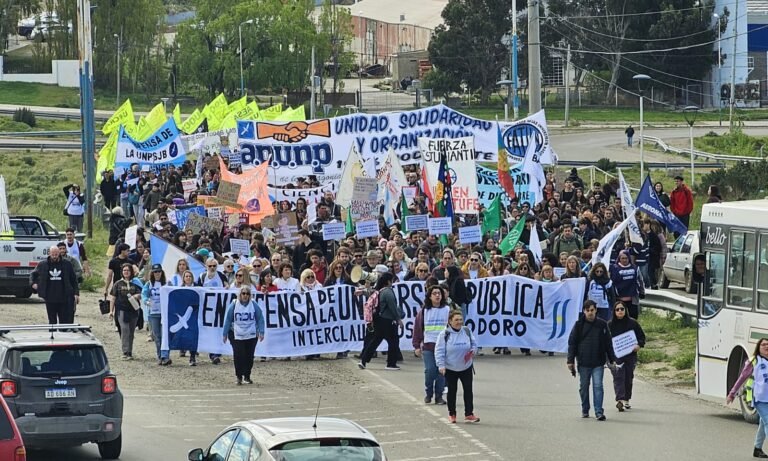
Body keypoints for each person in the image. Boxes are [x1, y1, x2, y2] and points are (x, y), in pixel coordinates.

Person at [567, 300, 617, 421]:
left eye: (592, 310)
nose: (590, 312)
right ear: (584, 311)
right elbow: (572, 343)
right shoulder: (578, 325)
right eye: (587, 310)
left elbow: (608, 343)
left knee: (598, 386)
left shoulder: (602, 325)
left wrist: (612, 359)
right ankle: (585, 409)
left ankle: (599, 412)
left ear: (596, 310)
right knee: (584, 387)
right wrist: (570, 361)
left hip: (598, 362)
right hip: (583, 362)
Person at [435, 311, 479, 424]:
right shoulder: (444, 334)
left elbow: (474, 344)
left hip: (466, 367)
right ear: (450, 321)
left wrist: (473, 351)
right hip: (451, 368)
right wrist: (441, 365)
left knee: (468, 390)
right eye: (456, 320)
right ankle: (452, 413)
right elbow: (439, 351)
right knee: (452, 391)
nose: (459, 322)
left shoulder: (466, 331)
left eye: (461, 319)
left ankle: (469, 413)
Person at [727, 338, 768, 459]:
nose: (766, 347)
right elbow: (742, 378)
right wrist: (732, 393)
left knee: (763, 423)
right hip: (760, 399)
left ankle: (757, 448)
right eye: (764, 345)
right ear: (758, 348)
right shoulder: (754, 361)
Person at [357, 273, 404, 371]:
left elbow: (371, 294)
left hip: (379, 321)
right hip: (388, 322)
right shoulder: (388, 292)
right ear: (388, 282)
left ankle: (364, 360)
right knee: (394, 342)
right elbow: (393, 307)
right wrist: (398, 319)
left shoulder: (380, 291)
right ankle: (391, 363)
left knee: (375, 341)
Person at [413, 286, 451, 405]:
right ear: (430, 296)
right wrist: (417, 346)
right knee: (430, 370)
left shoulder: (447, 310)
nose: (437, 295)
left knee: (441, 372)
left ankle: (439, 396)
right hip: (428, 346)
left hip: (443, 346)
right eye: (434, 293)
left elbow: (454, 327)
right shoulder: (424, 311)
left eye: (439, 293)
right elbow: (418, 329)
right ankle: (429, 392)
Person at [222, 286, 265, 385]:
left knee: (249, 356)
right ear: (239, 294)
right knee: (239, 354)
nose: (245, 296)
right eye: (243, 293)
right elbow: (228, 319)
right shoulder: (234, 305)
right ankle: (239, 376)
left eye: (247, 294)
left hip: (251, 334)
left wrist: (261, 331)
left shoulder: (253, 304)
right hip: (236, 333)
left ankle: (247, 375)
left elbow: (260, 318)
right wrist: (224, 334)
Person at [608, 301, 645, 412]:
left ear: (625, 310)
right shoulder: (609, 325)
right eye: (617, 309)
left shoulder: (633, 323)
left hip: (630, 355)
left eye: (622, 309)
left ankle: (626, 399)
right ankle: (620, 399)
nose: (620, 311)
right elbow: (604, 340)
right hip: (615, 356)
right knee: (618, 376)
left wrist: (639, 345)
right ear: (614, 311)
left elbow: (641, 337)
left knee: (628, 377)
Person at [30, 246, 79, 324]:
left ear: (59, 253)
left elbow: (73, 280)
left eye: (56, 254)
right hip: (49, 297)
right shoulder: (43, 264)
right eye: (53, 255)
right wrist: (33, 283)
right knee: (52, 321)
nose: (54, 256)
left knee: (64, 321)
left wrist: (76, 293)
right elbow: (33, 274)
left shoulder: (67, 264)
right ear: (49, 253)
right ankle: (52, 333)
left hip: (64, 297)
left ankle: (63, 333)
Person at [109, 263, 143, 360]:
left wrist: (136, 296)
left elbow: (141, 294)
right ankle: (125, 351)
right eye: (124, 270)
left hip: (133, 311)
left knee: (131, 331)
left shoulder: (135, 283)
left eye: (128, 270)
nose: (126, 272)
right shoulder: (118, 284)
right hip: (122, 310)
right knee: (124, 330)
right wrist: (111, 311)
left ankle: (130, 351)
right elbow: (113, 298)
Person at [142, 264, 172, 366]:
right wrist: (146, 301)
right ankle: (160, 356)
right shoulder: (149, 284)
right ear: (152, 273)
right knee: (157, 336)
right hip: (153, 313)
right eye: (155, 272)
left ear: (162, 272)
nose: (157, 274)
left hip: (165, 313)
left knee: (165, 335)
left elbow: (173, 293)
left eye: (159, 271)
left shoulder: (167, 283)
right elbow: (144, 294)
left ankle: (166, 356)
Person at [610, 250, 645, 319]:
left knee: (633, 317)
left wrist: (642, 292)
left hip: (632, 298)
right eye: (622, 258)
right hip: (619, 298)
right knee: (620, 318)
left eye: (626, 258)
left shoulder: (635, 268)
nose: (624, 260)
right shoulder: (614, 268)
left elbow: (640, 280)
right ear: (619, 258)